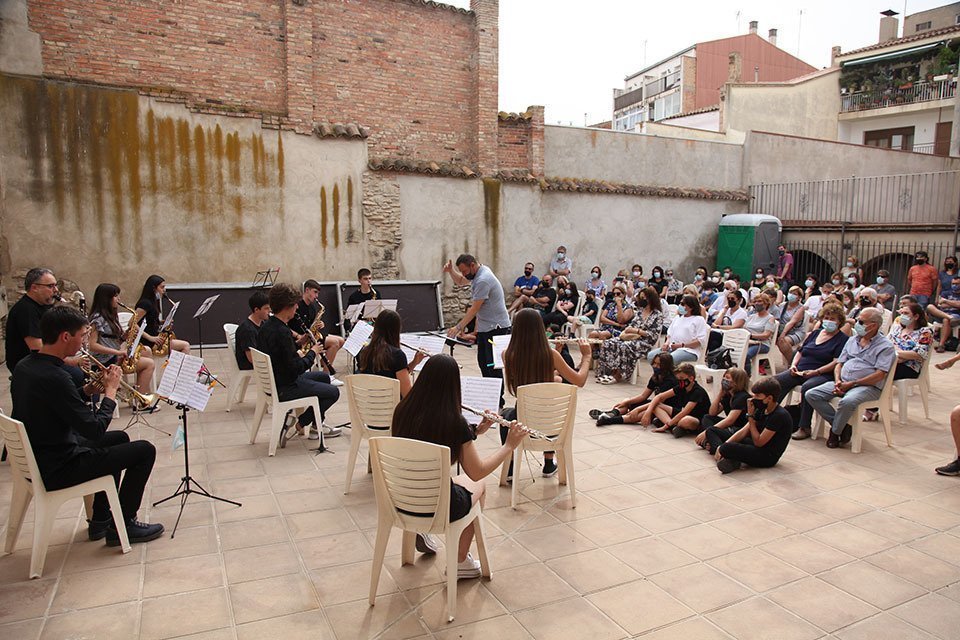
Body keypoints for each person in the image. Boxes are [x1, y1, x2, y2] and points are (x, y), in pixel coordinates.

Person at [11, 306, 163, 545]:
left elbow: (57, 404)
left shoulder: (26, 366)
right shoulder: (57, 377)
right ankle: (123, 524)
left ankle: (101, 520)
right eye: (82, 335)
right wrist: (111, 393)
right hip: (60, 464)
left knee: (119, 439)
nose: (84, 341)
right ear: (65, 337)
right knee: (144, 450)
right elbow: (93, 429)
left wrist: (88, 390)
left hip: (43, 451)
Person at [391, 354, 526, 576]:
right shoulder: (453, 422)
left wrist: (475, 431)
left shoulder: (402, 410)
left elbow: (432, 437)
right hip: (437, 505)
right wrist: (509, 445)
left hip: (402, 497)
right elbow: (477, 472)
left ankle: (420, 531)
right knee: (480, 486)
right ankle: (460, 561)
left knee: (453, 481)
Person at [502, 309, 590, 476]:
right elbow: (579, 380)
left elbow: (530, 378)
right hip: (551, 426)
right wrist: (586, 357)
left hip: (523, 423)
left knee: (506, 415)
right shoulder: (551, 355)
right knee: (548, 405)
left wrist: (555, 362)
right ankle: (549, 463)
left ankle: (510, 467)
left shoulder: (507, 354)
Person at [257, 283, 341, 441]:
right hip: (286, 386)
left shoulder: (269, 326)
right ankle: (299, 424)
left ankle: (317, 426)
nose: (297, 306)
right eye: (294, 304)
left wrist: (298, 344)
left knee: (324, 377)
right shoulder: (282, 331)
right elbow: (296, 368)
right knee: (333, 392)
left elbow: (281, 353)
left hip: (277, 379)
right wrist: (312, 353)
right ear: (286, 307)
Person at [804, 308, 896, 449]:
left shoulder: (885, 346)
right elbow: (839, 363)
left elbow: (879, 375)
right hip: (843, 381)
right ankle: (844, 426)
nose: (856, 323)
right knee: (812, 394)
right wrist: (838, 380)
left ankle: (835, 433)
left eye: (861, 321)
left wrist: (853, 383)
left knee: (847, 401)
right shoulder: (852, 340)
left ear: (873, 325)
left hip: (867, 386)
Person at [773, 303, 848, 440]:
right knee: (776, 381)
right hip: (800, 370)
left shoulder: (842, 339)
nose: (828, 321)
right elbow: (800, 351)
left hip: (823, 374)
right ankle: (771, 415)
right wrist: (793, 365)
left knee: (808, 388)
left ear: (839, 321)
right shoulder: (815, 334)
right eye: (826, 317)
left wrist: (816, 372)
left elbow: (836, 362)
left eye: (833, 319)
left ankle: (804, 426)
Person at [444, 254, 511, 403]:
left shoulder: (483, 280)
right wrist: (451, 271)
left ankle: (497, 399)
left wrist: (458, 327)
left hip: (496, 327)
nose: (463, 274)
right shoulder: (477, 273)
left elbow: (474, 309)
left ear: (472, 265)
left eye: (464, 270)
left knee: (492, 364)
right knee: (483, 362)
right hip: (487, 327)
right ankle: (489, 393)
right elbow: (461, 281)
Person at [862, 301, 933, 421]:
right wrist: (894, 354)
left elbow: (919, 354)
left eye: (906, 313)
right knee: (867, 368)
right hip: (891, 361)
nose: (902, 316)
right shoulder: (897, 329)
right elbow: (885, 344)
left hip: (910, 367)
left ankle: (872, 409)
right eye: (902, 313)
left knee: (880, 373)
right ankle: (863, 402)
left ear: (916, 316)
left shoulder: (925, 332)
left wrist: (896, 353)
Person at [709, 377, 793, 474]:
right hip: (754, 444)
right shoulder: (762, 409)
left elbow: (759, 442)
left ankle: (729, 456)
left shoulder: (779, 415)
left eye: (757, 396)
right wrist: (724, 444)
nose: (753, 399)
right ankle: (732, 459)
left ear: (769, 398)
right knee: (714, 432)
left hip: (766, 455)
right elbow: (744, 430)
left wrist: (750, 416)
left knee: (726, 448)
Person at [87, 283, 156, 400]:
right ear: (106, 298)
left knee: (147, 351)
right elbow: (92, 345)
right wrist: (118, 352)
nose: (119, 299)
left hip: (113, 355)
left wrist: (125, 336)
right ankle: (140, 400)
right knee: (149, 364)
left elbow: (111, 339)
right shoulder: (97, 318)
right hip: (104, 361)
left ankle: (141, 391)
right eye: (115, 296)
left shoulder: (111, 316)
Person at [595, 286, 664, 384]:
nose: (642, 300)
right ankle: (607, 372)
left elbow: (653, 335)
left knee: (624, 346)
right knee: (608, 343)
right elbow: (631, 326)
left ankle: (618, 375)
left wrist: (637, 331)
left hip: (644, 342)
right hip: (631, 337)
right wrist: (629, 329)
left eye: (644, 297)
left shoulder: (657, 315)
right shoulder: (640, 312)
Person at [592, 352, 676, 426]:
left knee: (642, 412)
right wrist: (627, 402)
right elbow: (643, 396)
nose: (655, 366)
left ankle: (609, 420)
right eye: (654, 363)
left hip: (664, 407)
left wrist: (638, 409)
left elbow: (658, 401)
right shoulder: (656, 377)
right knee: (628, 402)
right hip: (655, 403)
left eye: (659, 365)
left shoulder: (670, 380)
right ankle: (612, 413)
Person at [288, 279, 345, 384]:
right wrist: (298, 336)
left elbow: (312, 324)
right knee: (335, 343)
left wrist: (320, 324)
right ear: (307, 290)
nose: (317, 296)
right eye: (315, 292)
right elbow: (286, 326)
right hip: (301, 339)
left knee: (341, 340)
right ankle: (327, 375)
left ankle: (320, 367)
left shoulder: (312, 307)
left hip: (311, 336)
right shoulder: (297, 306)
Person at [357, 309, 424, 397]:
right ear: (396, 330)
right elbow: (407, 394)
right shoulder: (397, 355)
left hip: (369, 404)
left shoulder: (364, 352)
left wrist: (415, 362)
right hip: (391, 405)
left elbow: (394, 374)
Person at [5, 267, 60, 374]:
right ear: (34, 287)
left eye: (55, 285)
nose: (56, 290)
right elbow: (36, 347)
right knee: (75, 375)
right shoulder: (25, 310)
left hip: (42, 359)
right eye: (50, 286)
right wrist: (68, 359)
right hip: (28, 365)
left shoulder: (45, 305)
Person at [640, 362, 711, 436]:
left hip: (696, 419)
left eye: (682, 378)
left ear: (691, 378)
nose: (680, 381)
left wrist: (665, 427)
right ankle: (673, 427)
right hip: (682, 412)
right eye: (678, 379)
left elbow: (685, 412)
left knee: (686, 421)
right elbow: (660, 397)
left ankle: (670, 424)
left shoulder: (697, 391)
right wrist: (647, 412)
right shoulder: (682, 387)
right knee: (656, 406)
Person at [694, 367, 751, 452]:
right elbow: (712, 412)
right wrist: (720, 393)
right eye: (724, 377)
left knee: (711, 430)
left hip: (739, 429)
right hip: (731, 426)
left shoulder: (742, 397)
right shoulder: (728, 395)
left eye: (727, 378)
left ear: (736, 382)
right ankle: (710, 440)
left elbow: (730, 420)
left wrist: (706, 432)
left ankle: (718, 448)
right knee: (707, 417)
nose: (724, 380)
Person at [134, 275, 191, 356]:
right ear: (154, 288)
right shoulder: (145, 303)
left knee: (185, 345)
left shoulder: (154, 301)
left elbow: (150, 320)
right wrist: (150, 338)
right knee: (185, 346)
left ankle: (174, 367)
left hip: (155, 337)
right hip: (146, 340)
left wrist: (163, 322)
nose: (164, 290)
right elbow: (132, 323)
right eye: (162, 287)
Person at [647, 294, 708, 364]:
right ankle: (659, 373)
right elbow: (669, 334)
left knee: (669, 359)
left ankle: (666, 374)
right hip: (672, 347)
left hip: (689, 350)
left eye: (682, 304)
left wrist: (681, 345)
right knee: (651, 356)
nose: (680, 306)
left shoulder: (699, 320)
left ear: (691, 307)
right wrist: (667, 343)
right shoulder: (677, 318)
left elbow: (700, 341)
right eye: (680, 303)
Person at [234, 290, 270, 371]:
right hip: (248, 364)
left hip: (261, 357)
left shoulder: (262, 323)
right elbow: (251, 358)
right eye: (266, 308)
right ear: (256, 310)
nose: (269, 311)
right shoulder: (247, 330)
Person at [775, 285, 808, 365]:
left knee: (783, 341)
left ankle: (792, 363)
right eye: (790, 293)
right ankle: (765, 362)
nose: (791, 295)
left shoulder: (801, 308)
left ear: (799, 297)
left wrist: (783, 334)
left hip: (795, 332)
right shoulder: (782, 305)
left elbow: (792, 322)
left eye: (794, 294)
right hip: (781, 330)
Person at [927, 273, 960, 352]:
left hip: (956, 315)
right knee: (929, 307)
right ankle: (948, 317)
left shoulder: (946, 296)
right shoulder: (946, 292)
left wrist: (946, 301)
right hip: (942, 313)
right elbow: (941, 305)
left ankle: (941, 345)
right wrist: (954, 304)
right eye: (953, 284)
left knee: (946, 320)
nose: (954, 285)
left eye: (957, 284)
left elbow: (958, 304)